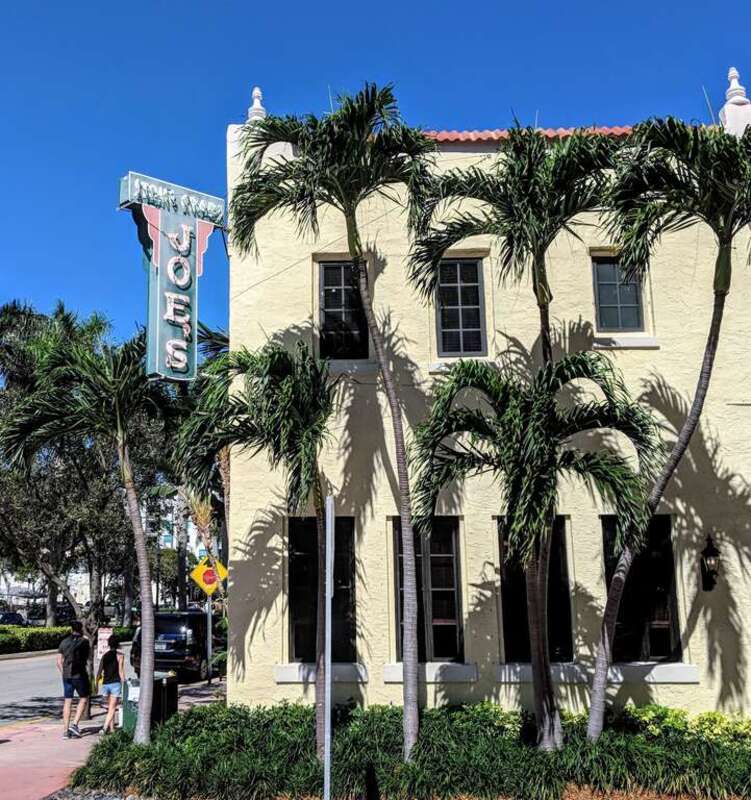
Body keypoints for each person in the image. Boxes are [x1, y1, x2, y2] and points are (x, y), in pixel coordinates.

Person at [56, 620, 91, 739]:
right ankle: (75, 724)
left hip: (67, 675)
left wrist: (64, 672)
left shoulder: (64, 642)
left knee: (68, 700)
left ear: (71, 629)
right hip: (80, 674)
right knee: (84, 698)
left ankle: (65, 731)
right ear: (81, 629)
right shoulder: (84, 642)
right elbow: (87, 657)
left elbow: (58, 661)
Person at [96, 634, 125, 733]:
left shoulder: (104, 656)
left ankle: (112, 728)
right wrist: (124, 683)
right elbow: (121, 671)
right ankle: (104, 728)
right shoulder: (120, 656)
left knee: (109, 707)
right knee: (112, 708)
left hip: (105, 684)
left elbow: (99, 671)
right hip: (115, 684)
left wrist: (96, 684)